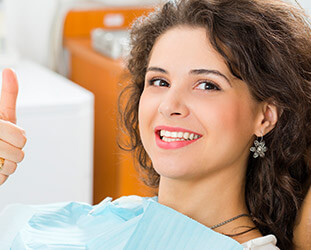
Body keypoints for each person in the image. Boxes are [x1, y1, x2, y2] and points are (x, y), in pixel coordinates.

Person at [0, 0, 310, 249]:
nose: (169, 105)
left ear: (265, 116)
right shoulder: (108, 217)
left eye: (206, 85)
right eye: (159, 81)